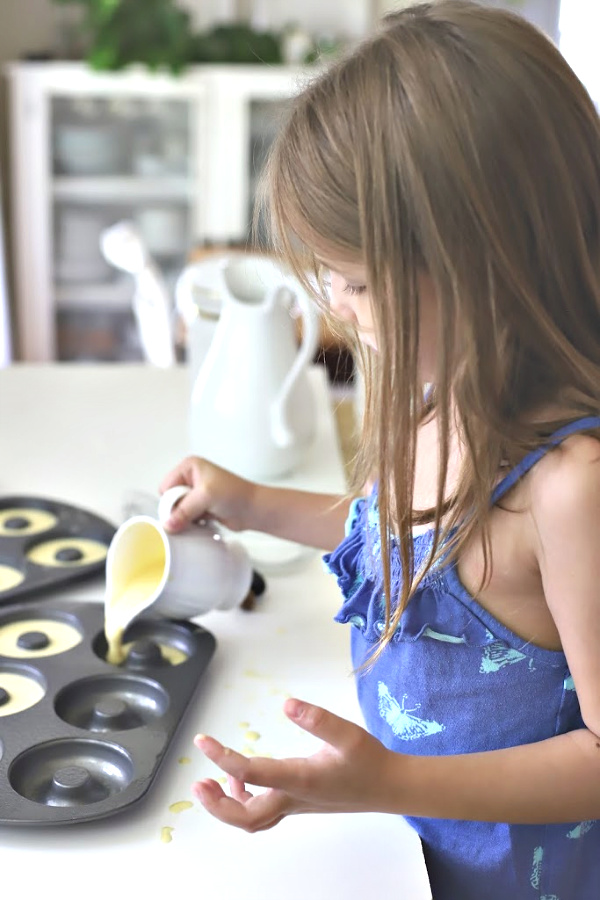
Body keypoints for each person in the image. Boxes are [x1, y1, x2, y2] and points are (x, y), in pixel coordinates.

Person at [159, 2, 600, 897]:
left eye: (356, 281)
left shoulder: (571, 489)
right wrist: (252, 501)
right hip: (407, 843)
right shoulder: (444, 387)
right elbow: (415, 551)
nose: (336, 306)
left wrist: (386, 781)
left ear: (486, 265)